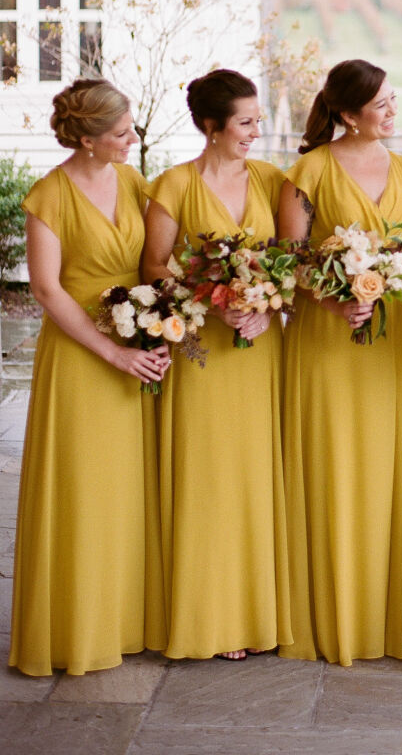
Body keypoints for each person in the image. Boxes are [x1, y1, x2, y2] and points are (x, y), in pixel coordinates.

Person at [9, 78, 169, 676]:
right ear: (87, 138)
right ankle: (74, 631)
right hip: (81, 357)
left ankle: (124, 622)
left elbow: (155, 259)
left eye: (132, 130)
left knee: (126, 491)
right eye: (122, 134)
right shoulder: (48, 196)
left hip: (134, 348)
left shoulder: (132, 181)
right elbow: (48, 290)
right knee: (80, 491)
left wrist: (165, 325)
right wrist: (112, 351)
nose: (133, 141)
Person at [277, 59, 402, 666]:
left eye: (396, 100)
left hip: (384, 344)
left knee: (378, 470)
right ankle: (316, 617)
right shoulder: (308, 171)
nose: (394, 112)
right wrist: (336, 297)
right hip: (323, 341)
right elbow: (289, 260)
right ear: (346, 114)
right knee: (324, 463)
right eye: (382, 104)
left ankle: (376, 616)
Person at [142, 69, 290, 662]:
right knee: (208, 479)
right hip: (202, 352)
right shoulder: (173, 184)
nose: (258, 131)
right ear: (211, 126)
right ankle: (212, 615)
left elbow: (288, 260)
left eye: (258, 120)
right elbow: (153, 266)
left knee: (253, 475)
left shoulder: (275, 180)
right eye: (246, 122)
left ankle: (255, 613)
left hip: (259, 349)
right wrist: (214, 300)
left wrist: (265, 304)